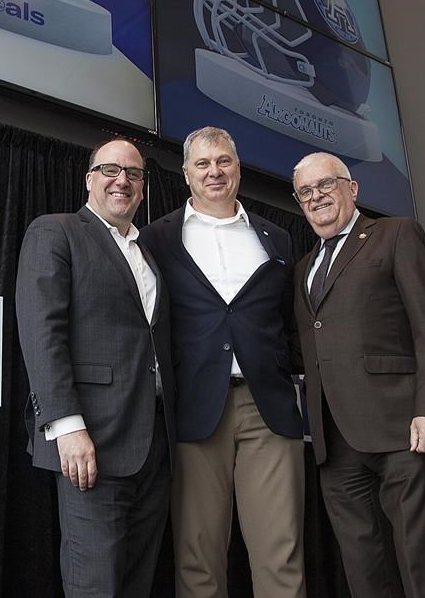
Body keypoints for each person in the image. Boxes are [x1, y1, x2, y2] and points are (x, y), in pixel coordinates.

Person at [139, 127, 305, 598]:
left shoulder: (276, 237)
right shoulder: (156, 238)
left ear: (238, 167)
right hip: (194, 410)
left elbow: (289, 323)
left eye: (224, 161)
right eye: (203, 164)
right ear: (186, 174)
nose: (215, 172)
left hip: (267, 408)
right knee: (198, 558)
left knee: (282, 553)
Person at [292, 152, 425, 598]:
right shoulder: (303, 267)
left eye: (325, 185)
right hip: (335, 441)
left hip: (402, 428)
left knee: (424, 561)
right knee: (363, 570)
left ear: (353, 189)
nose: (316, 198)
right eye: (306, 192)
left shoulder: (395, 234)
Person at [15, 139, 175, 598]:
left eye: (134, 173)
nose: (122, 180)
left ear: (143, 188)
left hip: (152, 448)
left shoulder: (148, 257)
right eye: (110, 169)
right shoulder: (56, 232)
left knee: (135, 584)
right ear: (89, 180)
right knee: (95, 585)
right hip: (91, 445)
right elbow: (41, 331)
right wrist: (66, 426)